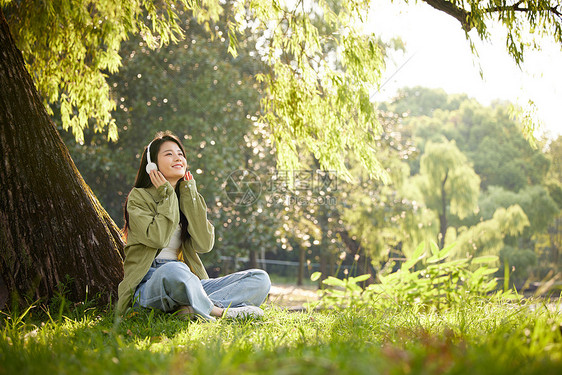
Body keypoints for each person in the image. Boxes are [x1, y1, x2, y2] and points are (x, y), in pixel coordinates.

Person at [116, 131, 270, 320]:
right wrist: (167, 194)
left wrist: (190, 196)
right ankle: (217, 311)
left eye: (180, 154)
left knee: (259, 278)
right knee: (174, 270)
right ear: (152, 165)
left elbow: (204, 244)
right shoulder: (138, 197)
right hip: (151, 284)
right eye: (169, 154)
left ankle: (191, 308)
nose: (178, 158)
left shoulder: (187, 197)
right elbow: (158, 238)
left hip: (188, 282)